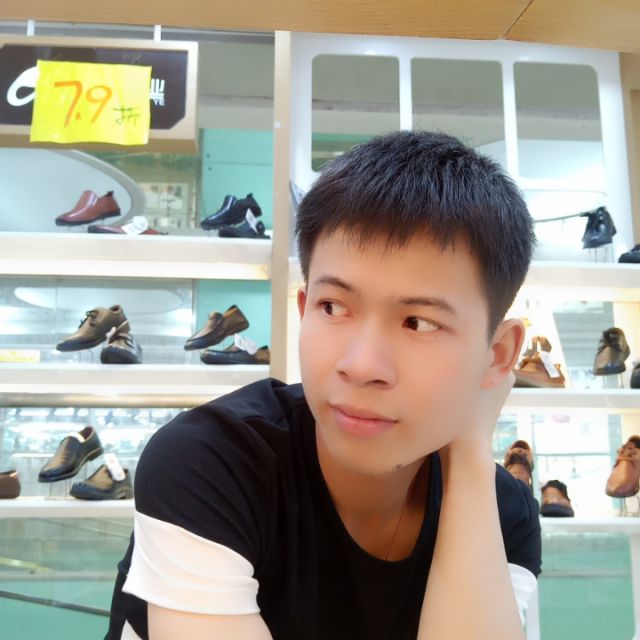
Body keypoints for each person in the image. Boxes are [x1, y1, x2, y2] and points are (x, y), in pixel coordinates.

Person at [105, 130, 541, 640]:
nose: (360, 365)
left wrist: (470, 455)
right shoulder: (213, 463)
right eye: (333, 307)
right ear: (304, 308)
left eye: (418, 322)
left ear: (498, 354)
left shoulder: (504, 513)